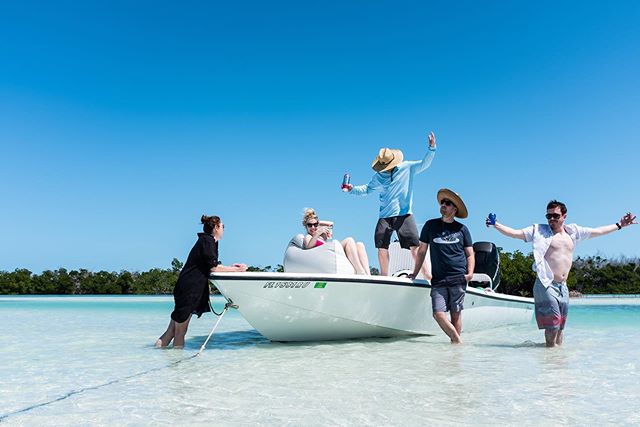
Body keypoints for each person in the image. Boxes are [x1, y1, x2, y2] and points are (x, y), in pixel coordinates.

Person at [486, 200, 636, 347]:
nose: (551, 219)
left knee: (560, 326)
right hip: (546, 284)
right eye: (548, 216)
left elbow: (597, 232)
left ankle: (556, 358)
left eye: (555, 216)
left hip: (563, 287)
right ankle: (549, 353)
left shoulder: (574, 232)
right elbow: (515, 233)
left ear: (564, 216)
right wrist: (496, 224)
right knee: (553, 324)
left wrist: (620, 225)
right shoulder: (539, 230)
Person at [344, 132, 436, 277]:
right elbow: (367, 189)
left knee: (415, 247)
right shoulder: (379, 176)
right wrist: (352, 189)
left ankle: (427, 276)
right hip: (385, 215)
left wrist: (431, 148)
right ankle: (384, 276)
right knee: (381, 246)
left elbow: (425, 164)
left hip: (404, 213)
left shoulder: (407, 167)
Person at [156, 215, 247, 348]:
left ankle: (157, 359)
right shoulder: (207, 241)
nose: (223, 229)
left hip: (185, 287)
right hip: (189, 289)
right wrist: (237, 270)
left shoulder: (208, 241)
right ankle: (178, 365)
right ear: (216, 227)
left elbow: (211, 263)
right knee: (180, 331)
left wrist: (231, 267)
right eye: (222, 226)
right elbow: (213, 267)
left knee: (172, 331)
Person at [408, 189, 474, 344]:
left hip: (459, 277)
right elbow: (422, 251)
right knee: (438, 314)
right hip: (438, 278)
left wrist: (470, 273)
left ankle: (455, 354)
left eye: (448, 203)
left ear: (455, 209)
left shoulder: (462, 229)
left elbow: (470, 254)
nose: (443, 205)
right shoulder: (430, 225)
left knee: (456, 315)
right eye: (442, 202)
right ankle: (458, 342)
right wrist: (414, 272)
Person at [302, 208, 371, 275]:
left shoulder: (321, 236)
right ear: (306, 226)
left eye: (315, 225)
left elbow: (331, 224)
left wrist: (319, 224)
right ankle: (360, 271)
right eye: (310, 225)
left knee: (359, 244)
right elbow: (308, 246)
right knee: (349, 240)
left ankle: (368, 274)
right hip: (327, 256)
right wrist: (317, 233)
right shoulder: (308, 237)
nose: (313, 227)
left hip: (331, 253)